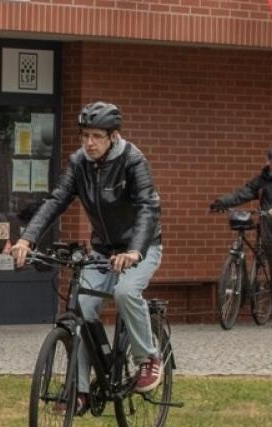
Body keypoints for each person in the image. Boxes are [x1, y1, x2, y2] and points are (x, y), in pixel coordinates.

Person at [9, 101, 163, 404]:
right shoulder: (79, 162)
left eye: (96, 136)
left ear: (113, 136)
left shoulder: (132, 161)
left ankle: (149, 357)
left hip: (141, 247)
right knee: (81, 309)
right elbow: (56, 201)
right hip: (104, 250)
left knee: (126, 292)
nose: (89, 143)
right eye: (85, 136)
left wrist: (135, 251)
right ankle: (78, 390)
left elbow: (148, 206)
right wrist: (27, 239)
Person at [210, 145, 272, 327]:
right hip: (271, 234)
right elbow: (243, 194)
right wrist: (221, 202)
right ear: (268, 163)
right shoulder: (262, 182)